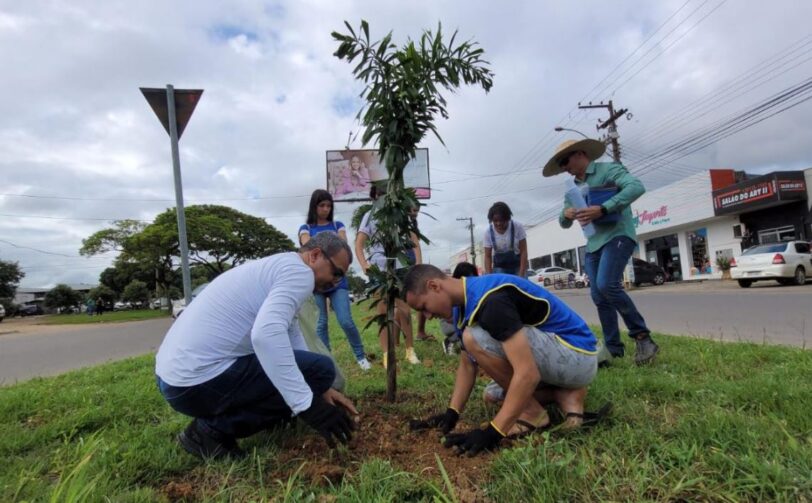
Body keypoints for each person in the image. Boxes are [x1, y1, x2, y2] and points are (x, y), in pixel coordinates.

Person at [155, 232, 359, 459]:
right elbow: (266, 335)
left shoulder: (280, 266)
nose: (335, 282)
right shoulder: (300, 274)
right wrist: (308, 406)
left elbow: (291, 338)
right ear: (315, 255)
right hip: (195, 384)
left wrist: (319, 389)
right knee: (320, 370)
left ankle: (264, 416)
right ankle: (209, 432)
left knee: (316, 372)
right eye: (336, 273)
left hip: (174, 380)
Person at [404, 264, 599, 456]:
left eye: (424, 307)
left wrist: (493, 432)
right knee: (492, 394)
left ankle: (533, 414)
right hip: (559, 359)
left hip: (578, 355)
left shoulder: (491, 299)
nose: (427, 317)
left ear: (434, 286)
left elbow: (528, 373)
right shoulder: (460, 306)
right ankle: (563, 394)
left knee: (473, 337)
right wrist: (451, 413)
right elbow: (467, 364)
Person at [544, 138, 659, 365]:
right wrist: (565, 215)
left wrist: (603, 208)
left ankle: (643, 338)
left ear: (579, 154)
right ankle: (613, 348)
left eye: (565, 160)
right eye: (561, 164)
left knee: (607, 284)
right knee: (598, 295)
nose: (564, 167)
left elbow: (636, 186)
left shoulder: (608, 170)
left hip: (618, 234)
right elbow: (563, 222)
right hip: (593, 243)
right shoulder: (572, 189)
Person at [299, 189, 371, 371]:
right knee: (321, 323)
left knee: (346, 320)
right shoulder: (305, 228)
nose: (325, 209)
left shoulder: (338, 224)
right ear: (314, 207)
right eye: (322, 205)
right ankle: (327, 359)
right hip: (315, 282)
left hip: (338, 282)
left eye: (329, 205)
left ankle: (361, 357)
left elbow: (343, 245)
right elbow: (307, 246)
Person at [355, 184, 420, 367]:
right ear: (374, 196)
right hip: (378, 269)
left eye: (387, 193)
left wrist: (418, 263)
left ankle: (410, 350)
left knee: (405, 310)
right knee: (383, 312)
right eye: (380, 193)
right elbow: (359, 243)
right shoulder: (369, 216)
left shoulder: (400, 215)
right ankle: (386, 354)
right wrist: (364, 264)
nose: (383, 197)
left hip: (400, 266)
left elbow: (414, 241)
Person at [438, 262, 479, 355]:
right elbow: (449, 319)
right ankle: (450, 341)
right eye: (467, 279)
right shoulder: (453, 295)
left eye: (473, 279)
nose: (470, 283)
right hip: (453, 326)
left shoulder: (476, 292)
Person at [483, 202, 528, 277]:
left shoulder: (518, 227)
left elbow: (523, 251)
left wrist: (522, 274)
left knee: (522, 286)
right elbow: (487, 256)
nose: (498, 223)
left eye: (501, 220)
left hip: (517, 266)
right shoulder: (488, 232)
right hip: (499, 267)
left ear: (508, 218)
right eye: (495, 221)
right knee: (501, 288)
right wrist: (489, 277)